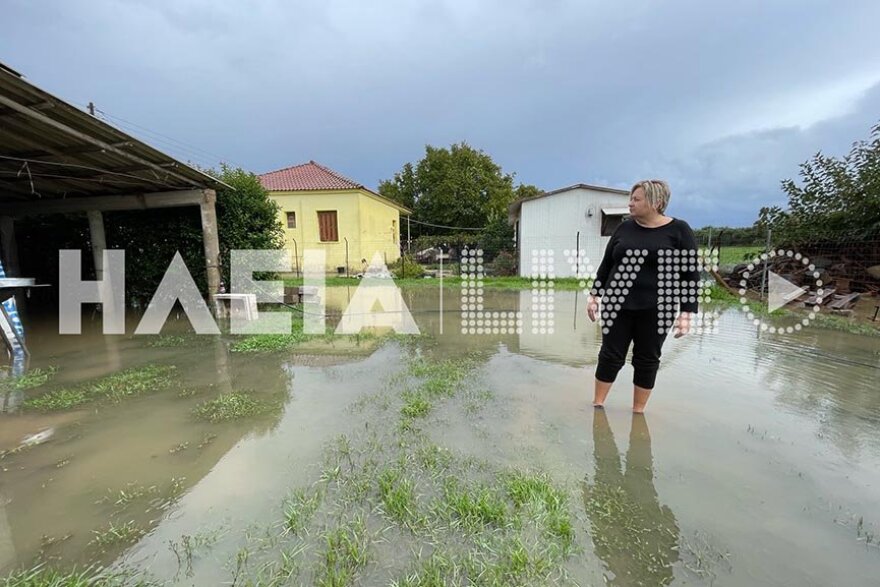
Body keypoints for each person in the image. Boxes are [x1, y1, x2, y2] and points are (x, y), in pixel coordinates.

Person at [586, 180, 699, 413]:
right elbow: (607, 263)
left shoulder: (679, 231)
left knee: (647, 359)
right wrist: (594, 295)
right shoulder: (624, 228)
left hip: (658, 308)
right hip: (617, 305)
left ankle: (638, 412)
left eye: (636, 199)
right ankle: (597, 405)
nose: (630, 204)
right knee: (610, 355)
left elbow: (690, 275)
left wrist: (686, 314)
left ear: (656, 202)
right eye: (631, 198)